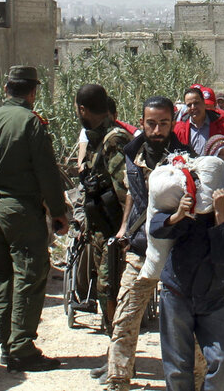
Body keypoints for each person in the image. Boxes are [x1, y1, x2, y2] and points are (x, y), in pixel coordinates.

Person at [0, 65, 69, 371]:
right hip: (20, 210)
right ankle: (22, 348)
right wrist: (58, 212)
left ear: (6, 90)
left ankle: (7, 343)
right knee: (29, 274)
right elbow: (47, 172)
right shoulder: (31, 123)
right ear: (33, 92)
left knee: (0, 275)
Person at [99, 96, 196, 390]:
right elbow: (133, 193)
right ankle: (118, 377)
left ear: (172, 124)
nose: (157, 129)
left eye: (163, 123)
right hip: (142, 246)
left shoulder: (186, 157)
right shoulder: (132, 153)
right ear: (142, 122)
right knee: (126, 316)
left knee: (187, 322)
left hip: (177, 249)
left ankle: (199, 377)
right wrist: (125, 227)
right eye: (151, 123)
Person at [150, 168, 224, 391]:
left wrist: (221, 218)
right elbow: (155, 227)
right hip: (177, 294)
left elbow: (223, 259)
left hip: (212, 299)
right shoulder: (199, 213)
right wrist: (176, 216)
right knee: (178, 368)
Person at [75, 84, 133, 335]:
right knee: (104, 289)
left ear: (83, 109)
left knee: (111, 290)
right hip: (101, 228)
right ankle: (116, 351)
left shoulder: (114, 140)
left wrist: (124, 229)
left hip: (113, 232)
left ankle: (119, 353)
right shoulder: (97, 140)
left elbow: (126, 190)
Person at [173, 87, 224, 155]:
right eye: (189, 105)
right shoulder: (178, 129)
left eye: (196, 103)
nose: (193, 107)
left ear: (204, 103)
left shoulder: (223, 127)